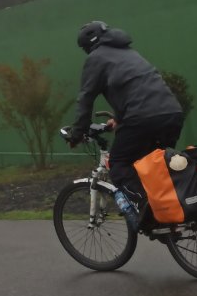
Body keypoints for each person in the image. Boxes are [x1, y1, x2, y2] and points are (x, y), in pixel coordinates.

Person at [68, 21, 184, 231]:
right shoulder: (127, 52)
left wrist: (77, 133)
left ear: (88, 44)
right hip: (171, 113)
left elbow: (86, 98)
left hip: (142, 117)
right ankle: (175, 211)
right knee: (157, 165)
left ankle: (147, 208)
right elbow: (134, 87)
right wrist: (120, 118)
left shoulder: (96, 58)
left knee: (119, 163)